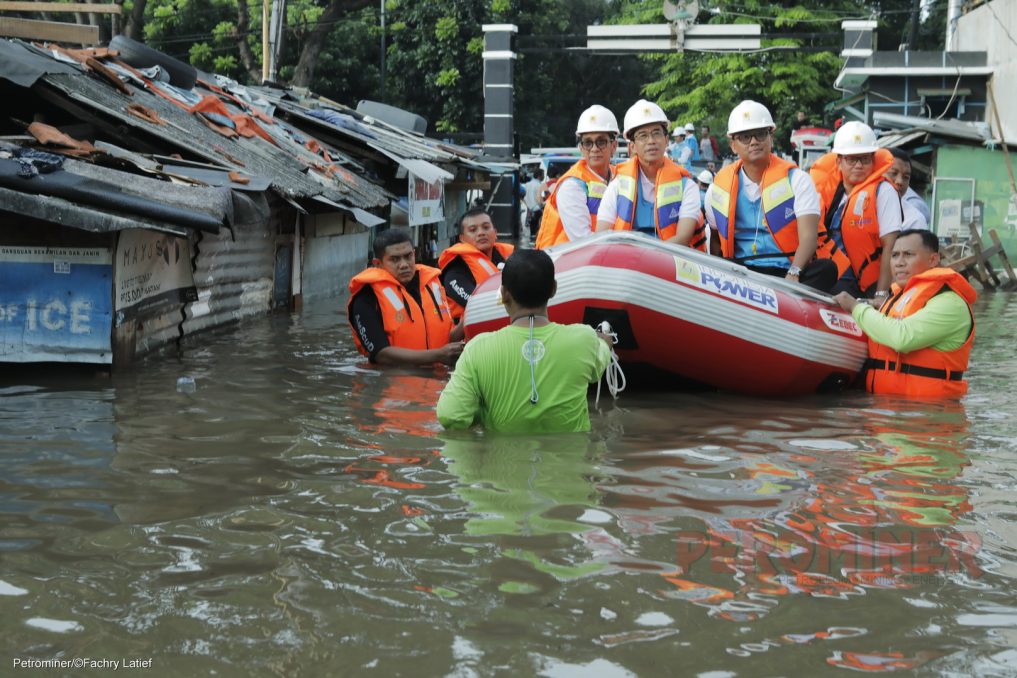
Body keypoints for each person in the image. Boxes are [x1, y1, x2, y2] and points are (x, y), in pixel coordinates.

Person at [436, 249, 612, 433]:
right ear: (553, 289)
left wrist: (482, 412)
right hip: (571, 458)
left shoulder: (477, 349)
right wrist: (605, 344)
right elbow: (599, 362)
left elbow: (451, 416)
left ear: (504, 294)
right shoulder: (583, 339)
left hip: (502, 459)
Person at [703, 100, 838, 291]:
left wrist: (795, 271)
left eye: (760, 134)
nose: (754, 142)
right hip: (742, 270)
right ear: (733, 145)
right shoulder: (717, 187)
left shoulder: (797, 179)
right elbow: (715, 237)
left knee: (827, 269)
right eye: (745, 137)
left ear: (770, 138)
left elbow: (809, 236)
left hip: (787, 270)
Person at [833, 229, 976, 397]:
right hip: (886, 410)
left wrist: (855, 307)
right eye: (894, 255)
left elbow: (902, 337)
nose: (899, 262)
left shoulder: (951, 304)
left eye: (908, 254)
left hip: (927, 415)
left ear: (933, 260)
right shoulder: (897, 297)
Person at [810, 121, 903, 300]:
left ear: (873, 160)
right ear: (839, 161)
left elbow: (890, 247)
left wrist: (881, 294)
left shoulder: (884, 191)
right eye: (852, 159)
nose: (859, 165)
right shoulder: (828, 191)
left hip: (863, 284)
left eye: (865, 159)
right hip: (830, 273)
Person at [595, 100, 705, 250]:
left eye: (656, 134)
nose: (651, 141)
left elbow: (683, 238)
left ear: (666, 140)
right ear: (632, 146)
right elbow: (602, 234)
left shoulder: (687, 186)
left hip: (673, 265)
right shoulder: (618, 185)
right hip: (626, 264)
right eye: (643, 136)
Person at [348, 228, 464, 367]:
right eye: (394, 259)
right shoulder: (366, 297)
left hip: (439, 373)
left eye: (408, 256)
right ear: (378, 264)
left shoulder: (432, 285)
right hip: (395, 381)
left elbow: (445, 338)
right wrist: (438, 355)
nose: (404, 265)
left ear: (414, 254)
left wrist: (468, 320)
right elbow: (380, 354)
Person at [535, 105, 619, 249]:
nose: (594, 149)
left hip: (605, 257)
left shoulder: (620, 178)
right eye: (587, 142)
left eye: (601, 141)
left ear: (614, 146)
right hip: (567, 264)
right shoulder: (571, 185)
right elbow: (583, 241)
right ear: (581, 148)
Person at [438, 208, 514, 320]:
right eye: (473, 230)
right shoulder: (455, 271)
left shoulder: (508, 258)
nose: (481, 233)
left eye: (486, 227)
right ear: (462, 239)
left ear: (495, 233)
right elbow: (476, 305)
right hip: (469, 332)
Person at [885, 148, 931, 230]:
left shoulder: (914, 220)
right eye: (893, 173)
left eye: (906, 177)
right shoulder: (859, 207)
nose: (900, 181)